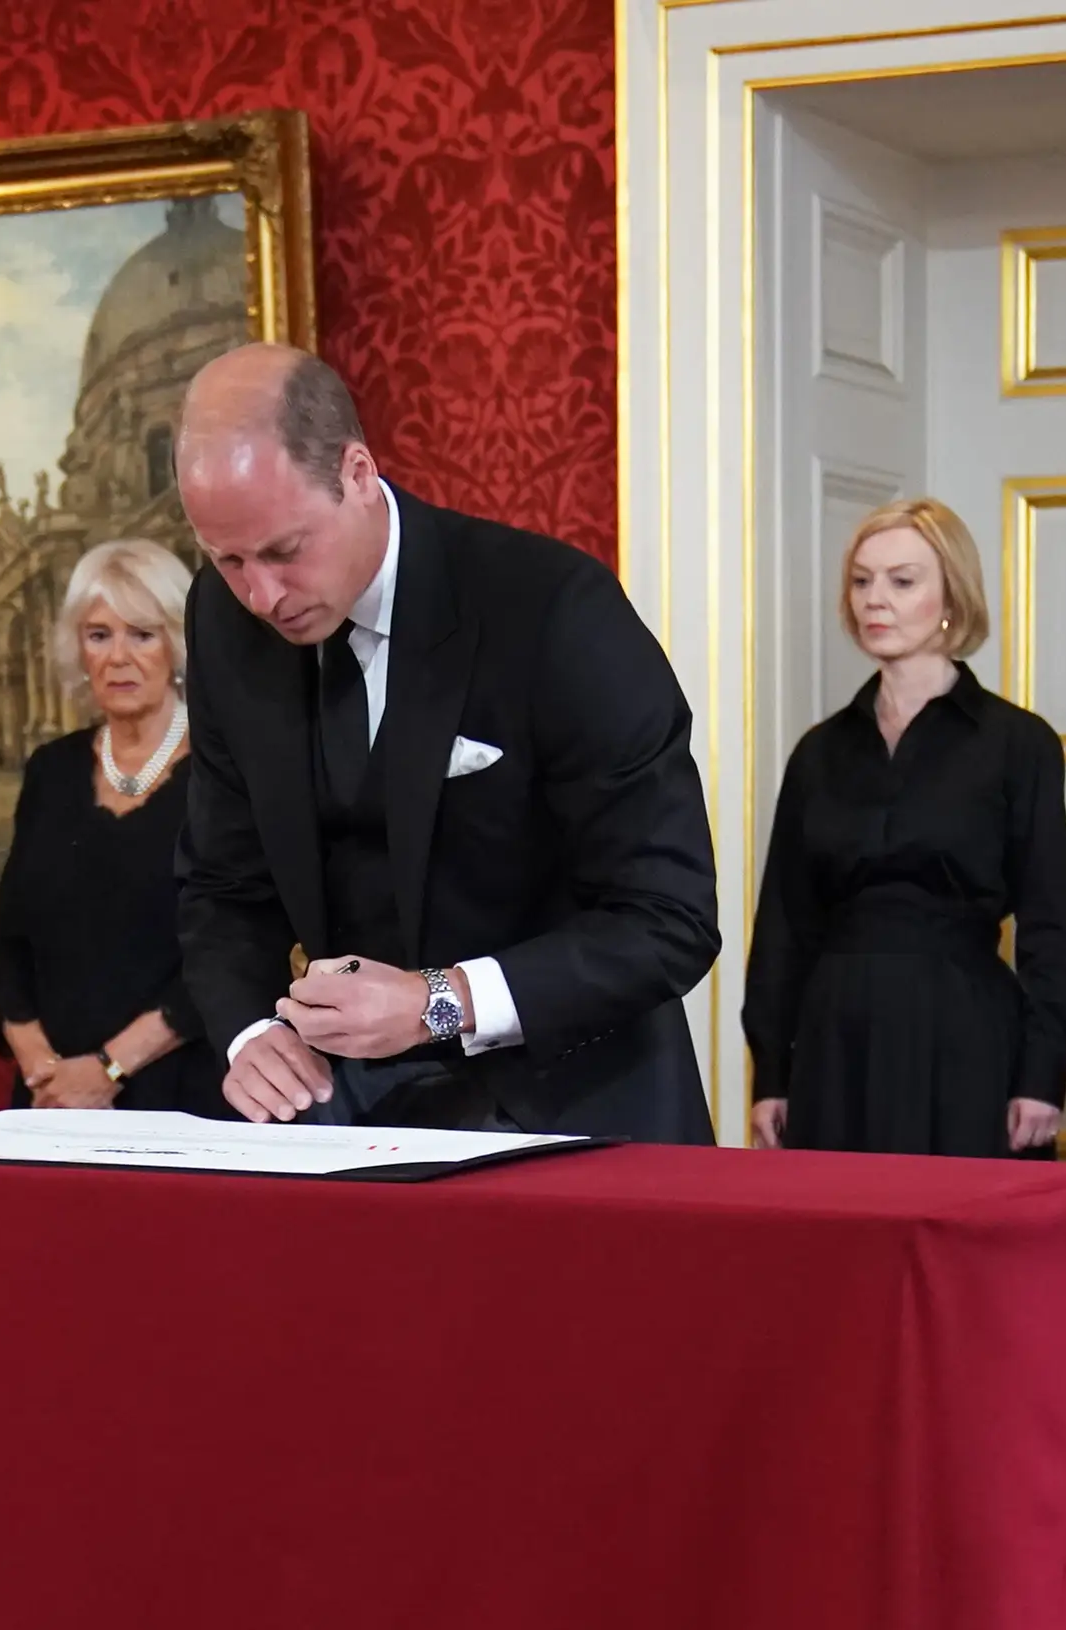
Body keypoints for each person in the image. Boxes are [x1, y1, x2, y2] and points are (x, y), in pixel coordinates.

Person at [168, 345, 718, 1139]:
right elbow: (222, 885)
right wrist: (253, 1034)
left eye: (285, 551)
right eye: (227, 561)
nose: (262, 595)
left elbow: (669, 916)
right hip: (348, 1131)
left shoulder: (554, 608)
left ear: (358, 473)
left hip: (573, 1116)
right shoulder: (222, 622)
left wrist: (440, 1002)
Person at [744, 499, 1066, 1159]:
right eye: (862, 581)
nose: (877, 600)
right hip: (834, 1042)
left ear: (951, 594)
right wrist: (771, 1077)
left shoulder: (1018, 744)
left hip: (965, 1035)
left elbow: (1050, 927)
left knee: (958, 1248)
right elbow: (784, 927)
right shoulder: (819, 752)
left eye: (902, 582)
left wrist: (1042, 1075)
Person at [0, 537, 227, 1118]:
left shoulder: (225, 772)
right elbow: (8, 936)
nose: (118, 656)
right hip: (53, 1101)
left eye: (141, 634)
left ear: (177, 642)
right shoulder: (52, 769)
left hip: (182, 1095)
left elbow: (230, 952)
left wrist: (107, 1069)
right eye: (99, 635)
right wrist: (44, 1069)